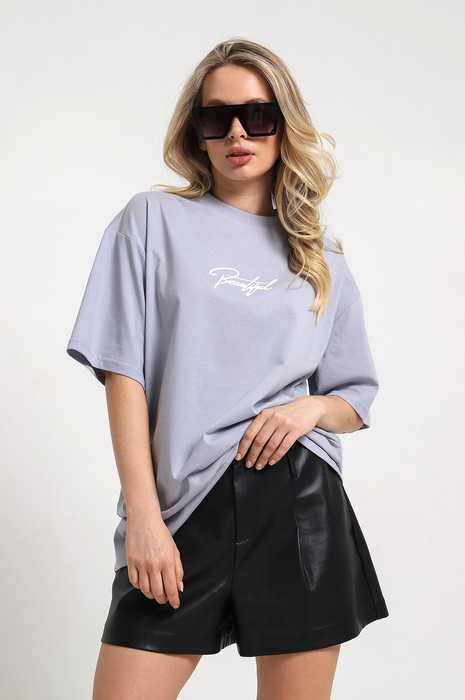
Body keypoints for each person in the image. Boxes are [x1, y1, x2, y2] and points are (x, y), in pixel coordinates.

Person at [66, 37, 389, 700]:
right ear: (198, 133)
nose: (238, 133)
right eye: (217, 118)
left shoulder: (320, 254)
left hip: (298, 503)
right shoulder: (151, 220)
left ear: (283, 124)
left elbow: (353, 399)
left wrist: (308, 409)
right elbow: (123, 373)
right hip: (183, 507)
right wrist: (145, 518)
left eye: (257, 115)